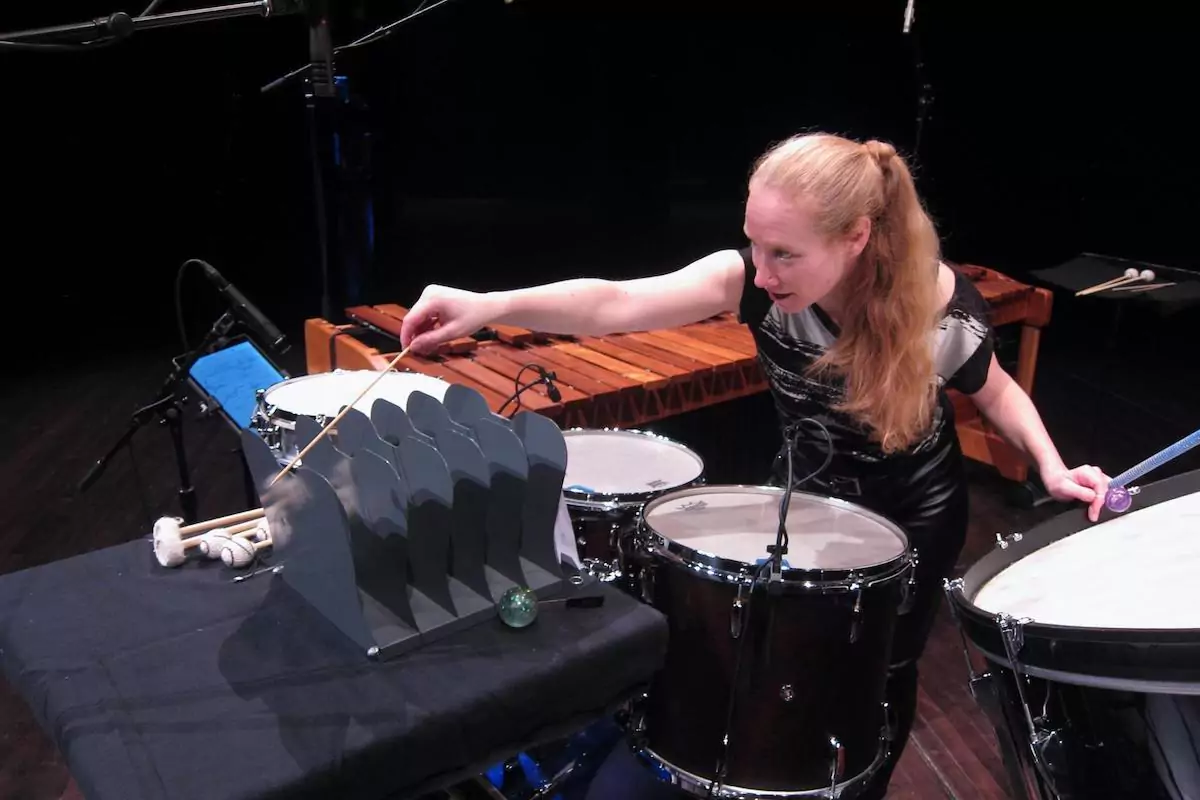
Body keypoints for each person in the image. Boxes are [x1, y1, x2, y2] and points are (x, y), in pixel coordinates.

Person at [399, 132, 1111, 798]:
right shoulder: (752, 280)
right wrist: (487, 304)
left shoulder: (933, 302)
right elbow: (615, 301)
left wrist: (1050, 468)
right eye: (754, 246)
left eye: (785, 255)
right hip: (808, 490)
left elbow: (996, 390)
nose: (761, 274)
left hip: (912, 514)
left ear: (856, 236)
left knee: (877, 676)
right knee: (775, 661)